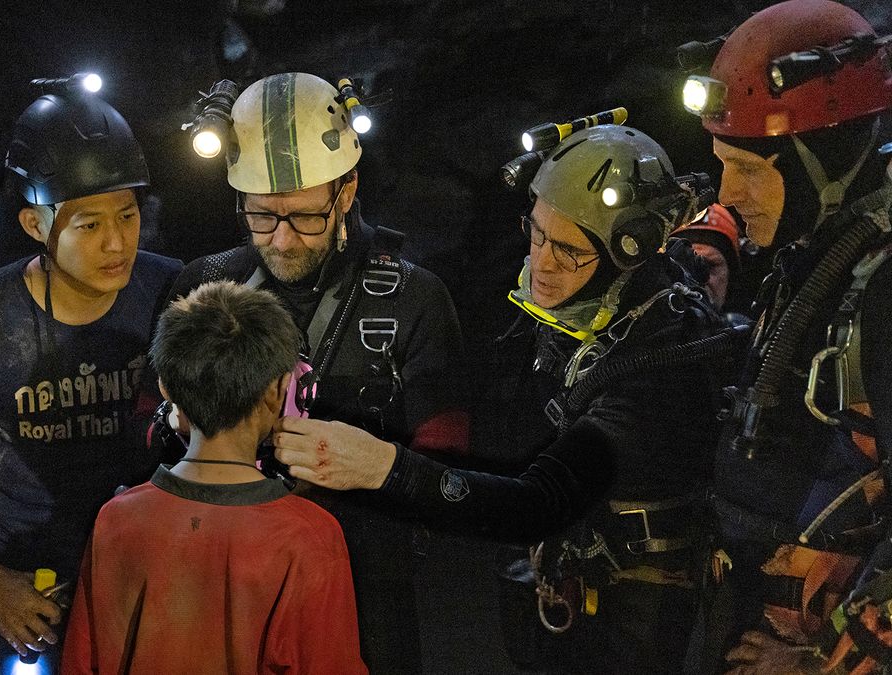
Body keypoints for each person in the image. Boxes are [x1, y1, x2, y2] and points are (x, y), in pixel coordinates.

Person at [273, 124, 731, 673]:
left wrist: (382, 468)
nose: (541, 265)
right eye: (535, 235)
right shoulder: (600, 315)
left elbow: (537, 502)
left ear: (628, 254)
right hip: (579, 582)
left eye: (568, 250)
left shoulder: (659, 362)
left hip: (633, 617)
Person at [162, 71, 468, 673]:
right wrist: (189, 432)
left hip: (364, 591)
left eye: (305, 217)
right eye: (261, 216)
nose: (282, 241)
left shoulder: (414, 300)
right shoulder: (202, 288)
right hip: (227, 582)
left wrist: (375, 469)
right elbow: (144, 429)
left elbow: (451, 476)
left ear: (347, 190)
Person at [0, 83, 182, 673]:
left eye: (127, 216)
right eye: (88, 224)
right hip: (15, 581)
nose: (116, 242)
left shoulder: (173, 296)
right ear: (34, 223)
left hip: (143, 575)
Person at [678, 1, 892, 670]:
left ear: (823, 159)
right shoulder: (814, 264)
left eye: (748, 170)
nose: (728, 194)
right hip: (750, 622)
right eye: (722, 165)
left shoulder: (883, 289)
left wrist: (832, 661)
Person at [62, 281, 366, 675]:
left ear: (166, 388)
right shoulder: (309, 536)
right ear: (278, 391)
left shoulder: (115, 519)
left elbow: (80, 664)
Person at [671, 203, 741, 312]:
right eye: (685, 265)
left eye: (710, 266)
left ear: (730, 278)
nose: (699, 277)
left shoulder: (754, 328)